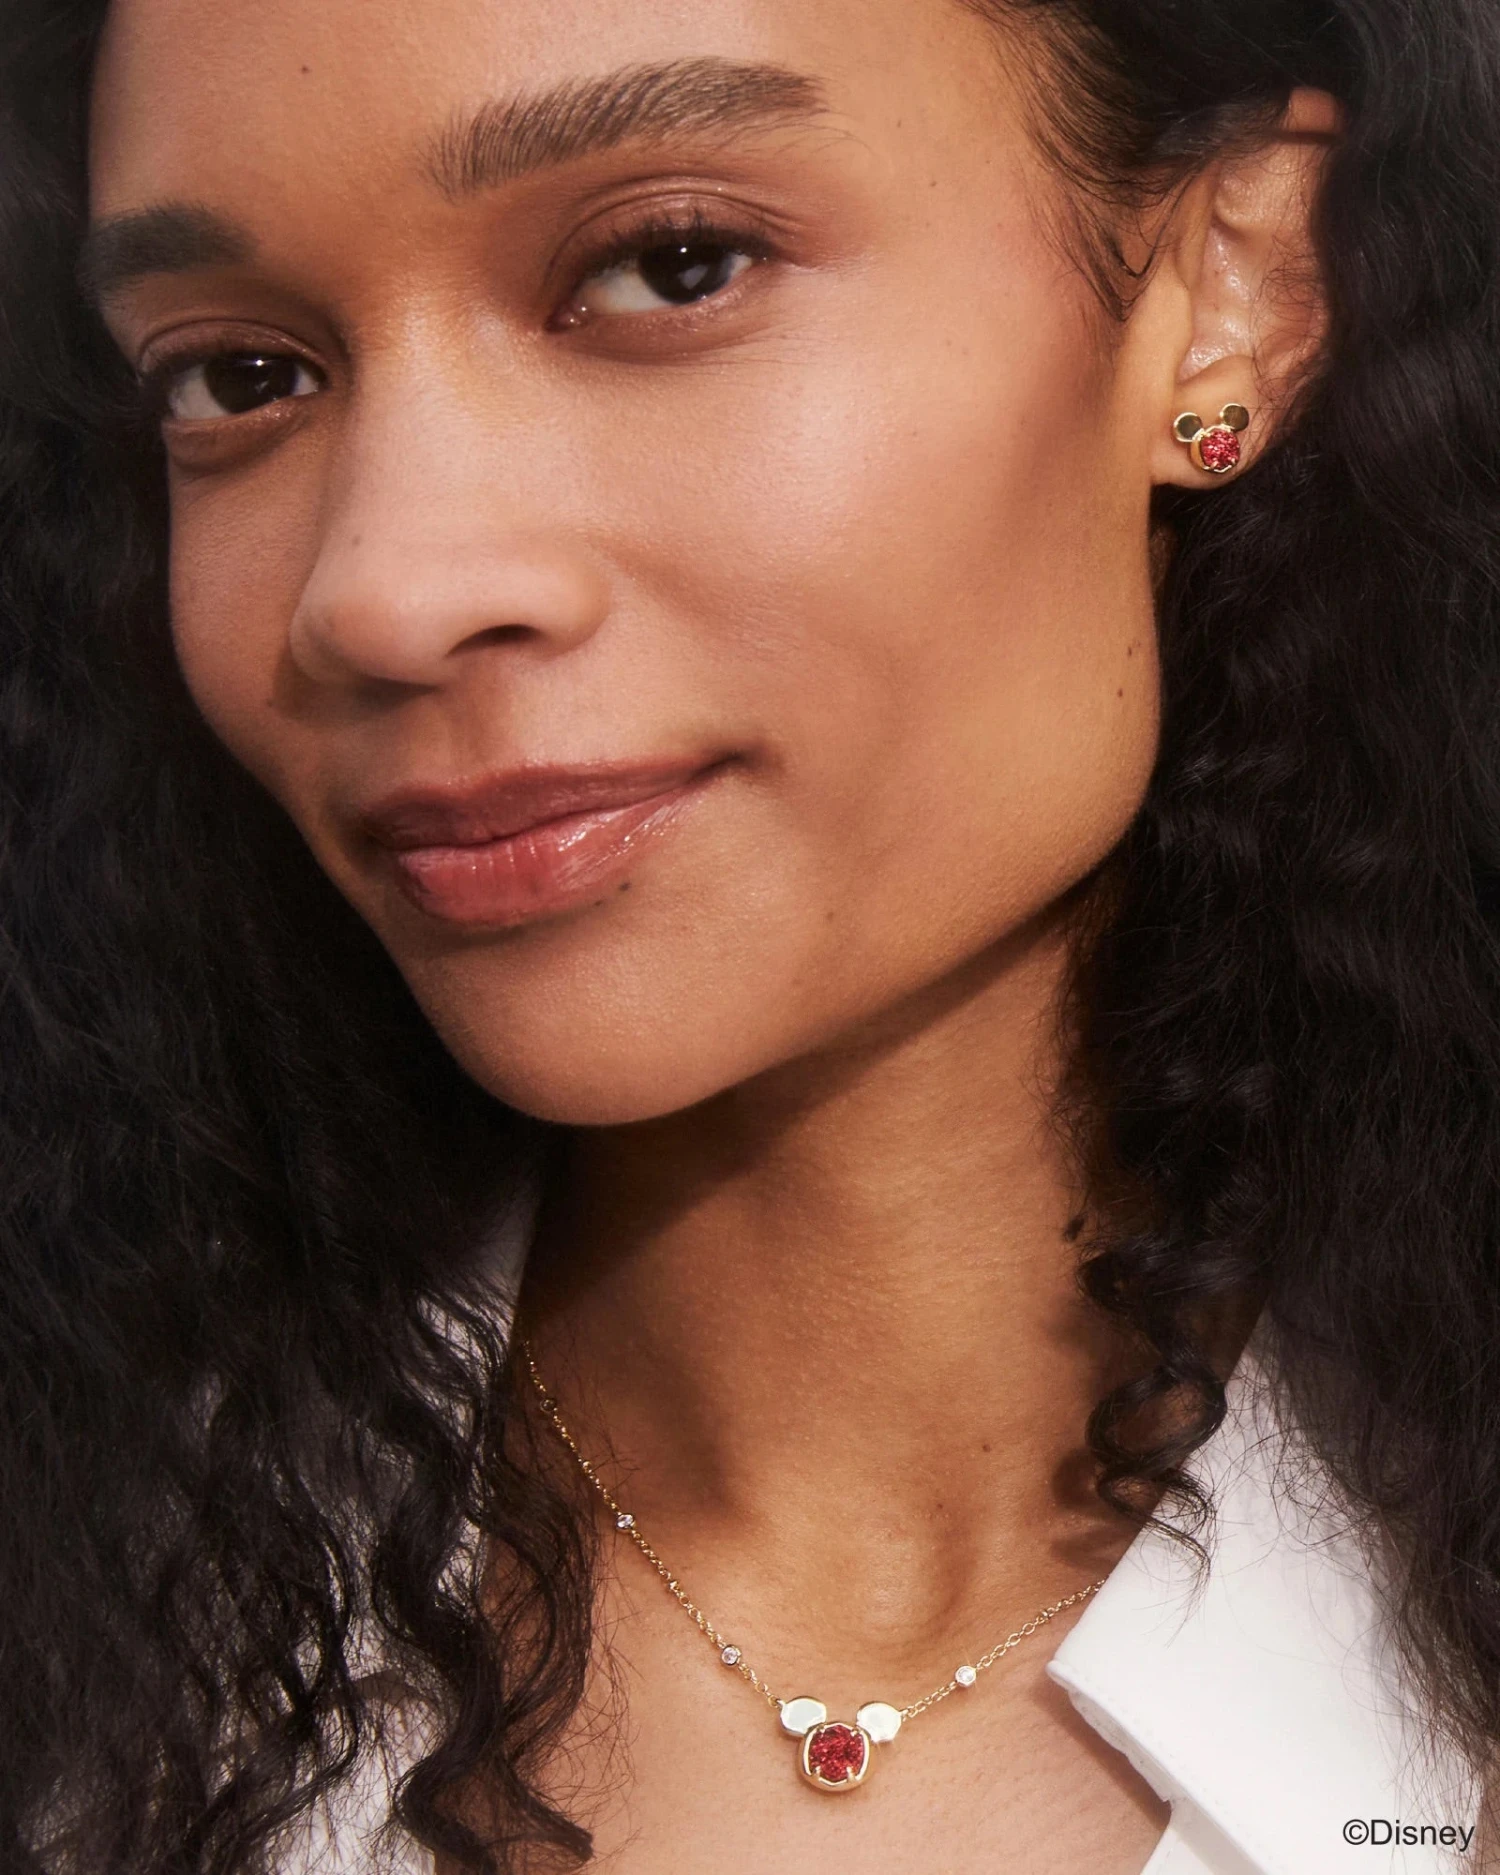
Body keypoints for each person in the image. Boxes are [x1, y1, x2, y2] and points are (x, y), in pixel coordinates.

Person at [2, 0, 1498, 1869]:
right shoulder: (83, 1654)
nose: (381, 588)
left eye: (671, 264)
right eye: (238, 377)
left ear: (1235, 284)